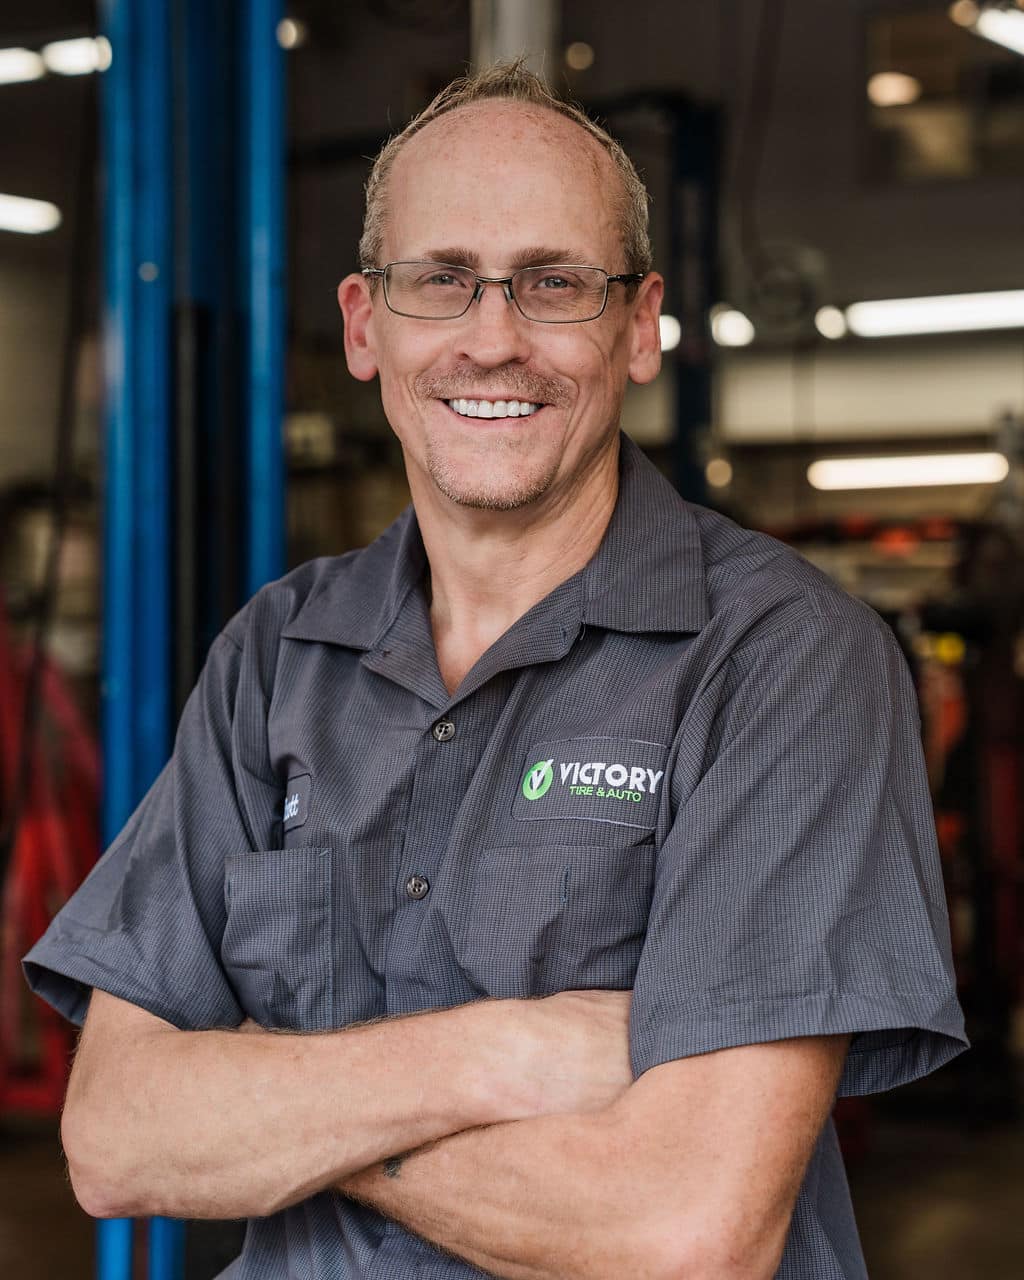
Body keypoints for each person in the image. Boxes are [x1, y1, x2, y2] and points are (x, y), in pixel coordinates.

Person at [25, 62, 966, 1280]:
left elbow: (685, 1228)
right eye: (443, 281)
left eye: (555, 283)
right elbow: (113, 1136)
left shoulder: (784, 661)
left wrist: (273, 1093)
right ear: (366, 325)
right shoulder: (276, 652)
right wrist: (497, 1056)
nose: (493, 338)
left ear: (639, 328)